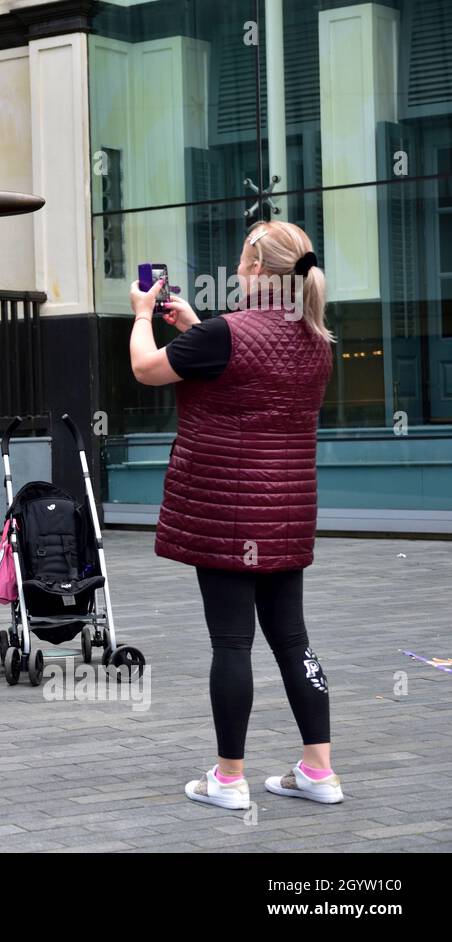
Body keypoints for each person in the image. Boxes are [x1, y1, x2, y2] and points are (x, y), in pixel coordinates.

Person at [129, 221, 342, 810]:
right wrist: (196, 330)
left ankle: (228, 779)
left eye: (240, 263)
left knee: (231, 644)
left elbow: (146, 369)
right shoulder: (316, 338)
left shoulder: (227, 333)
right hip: (287, 514)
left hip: (227, 513)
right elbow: (249, 378)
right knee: (292, 637)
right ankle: (318, 771)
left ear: (253, 270)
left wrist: (143, 314)